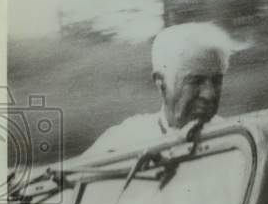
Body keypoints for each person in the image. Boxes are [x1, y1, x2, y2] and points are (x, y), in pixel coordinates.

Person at [83, 22, 237, 155]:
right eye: (195, 81)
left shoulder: (236, 140)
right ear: (161, 84)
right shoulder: (123, 141)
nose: (209, 94)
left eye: (217, 80)